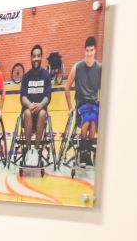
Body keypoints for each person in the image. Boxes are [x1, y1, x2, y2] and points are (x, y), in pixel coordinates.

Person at [62, 36, 103, 168]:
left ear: (95, 51)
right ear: (84, 51)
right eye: (87, 50)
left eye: (91, 50)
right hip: (82, 104)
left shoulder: (100, 68)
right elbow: (66, 87)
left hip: (94, 104)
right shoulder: (77, 67)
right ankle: (84, 152)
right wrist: (70, 107)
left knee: (93, 120)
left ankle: (86, 151)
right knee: (89, 119)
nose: (89, 53)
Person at [19, 45, 55, 164]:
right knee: (27, 113)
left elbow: (48, 96)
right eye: (34, 56)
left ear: (41, 57)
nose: (36, 58)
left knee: (43, 113)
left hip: (40, 112)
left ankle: (37, 150)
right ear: (31, 58)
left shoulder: (46, 75)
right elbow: (22, 96)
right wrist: (29, 105)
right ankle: (29, 149)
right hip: (28, 112)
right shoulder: (26, 76)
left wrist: (40, 105)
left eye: (38, 56)